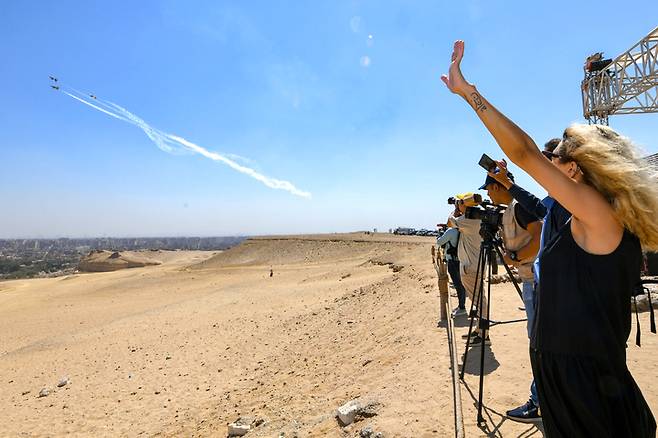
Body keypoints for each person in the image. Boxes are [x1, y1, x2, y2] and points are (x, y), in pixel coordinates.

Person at [442, 40, 658, 437]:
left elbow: (524, 153)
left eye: (555, 159)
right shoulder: (576, 215)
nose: (548, 165)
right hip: (567, 384)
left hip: (591, 395)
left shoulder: (602, 217)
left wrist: (469, 93)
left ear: (574, 170)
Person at [485, 139, 571, 423]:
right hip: (544, 283)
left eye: (549, 158)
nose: (545, 164)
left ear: (571, 165)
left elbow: (537, 230)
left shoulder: (572, 200)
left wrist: (515, 256)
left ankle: (539, 402)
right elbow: (537, 206)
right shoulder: (555, 200)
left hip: (545, 285)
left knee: (541, 345)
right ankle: (549, 400)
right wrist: (508, 183)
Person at [452, 193, 489, 346]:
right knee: (480, 300)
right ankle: (480, 330)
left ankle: (484, 335)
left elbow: (450, 222)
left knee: (479, 301)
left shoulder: (466, 220)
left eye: (459, 202)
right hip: (477, 265)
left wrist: (456, 210)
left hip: (470, 267)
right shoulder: (479, 218)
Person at [436, 211, 467, 317]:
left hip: (453, 261)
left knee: (458, 284)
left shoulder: (451, 231)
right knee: (462, 284)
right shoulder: (464, 230)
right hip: (463, 260)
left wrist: (440, 234)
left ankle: (462, 307)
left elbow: (439, 242)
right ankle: (462, 305)